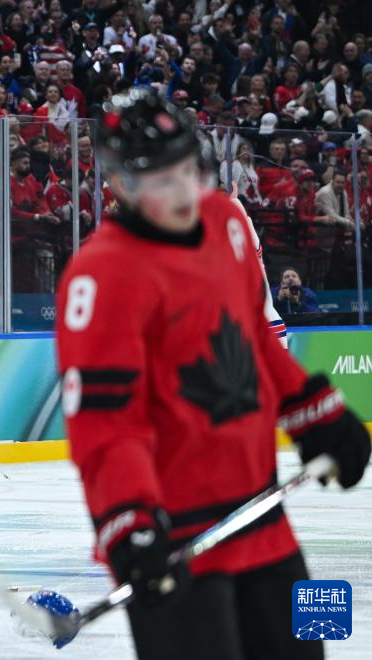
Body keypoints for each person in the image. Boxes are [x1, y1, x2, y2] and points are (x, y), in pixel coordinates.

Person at [56, 88, 369, 660]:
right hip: (176, 541)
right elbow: (105, 426)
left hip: (262, 517)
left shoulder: (227, 219)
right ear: (121, 185)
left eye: (189, 171)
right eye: (162, 181)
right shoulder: (99, 275)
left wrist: (318, 415)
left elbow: (253, 338)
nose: (183, 192)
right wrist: (127, 523)